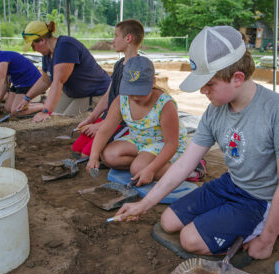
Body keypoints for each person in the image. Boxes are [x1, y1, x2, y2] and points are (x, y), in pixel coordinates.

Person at [115, 25, 279, 260]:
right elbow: (183, 165)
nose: (203, 91)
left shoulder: (274, 111)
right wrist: (144, 205)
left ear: (237, 78)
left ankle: (262, 227)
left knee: (190, 239)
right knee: (168, 221)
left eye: (209, 84)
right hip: (231, 184)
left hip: (260, 198)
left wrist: (267, 240)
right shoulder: (215, 111)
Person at [86, 56, 188, 187]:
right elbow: (105, 130)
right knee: (107, 156)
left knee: (138, 168)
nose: (135, 97)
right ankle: (145, 163)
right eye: (130, 91)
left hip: (162, 143)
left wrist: (150, 169)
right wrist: (93, 156)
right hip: (139, 139)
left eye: (140, 92)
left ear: (153, 82)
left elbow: (171, 144)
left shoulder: (165, 104)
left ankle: (187, 168)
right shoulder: (121, 101)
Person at [72, 19, 145, 157]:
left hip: (123, 122)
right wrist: (92, 119)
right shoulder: (119, 64)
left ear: (128, 38)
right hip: (109, 118)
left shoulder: (138, 68)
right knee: (77, 148)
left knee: (86, 154)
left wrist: (103, 125)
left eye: (116, 36)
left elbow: (131, 104)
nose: (113, 40)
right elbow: (108, 95)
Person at [20, 21, 111, 122]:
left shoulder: (65, 46)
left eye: (33, 46)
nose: (34, 50)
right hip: (73, 94)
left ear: (42, 40)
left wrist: (46, 111)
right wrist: (26, 98)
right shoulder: (47, 54)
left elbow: (58, 81)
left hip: (94, 93)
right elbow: (45, 81)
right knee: (53, 116)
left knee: (61, 120)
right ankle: (43, 106)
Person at [0, 46, 42, 115]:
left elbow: (1, 77)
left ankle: (45, 106)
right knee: (8, 108)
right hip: (18, 83)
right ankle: (29, 105)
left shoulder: (2, 57)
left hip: (29, 81)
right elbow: (5, 84)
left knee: (16, 111)